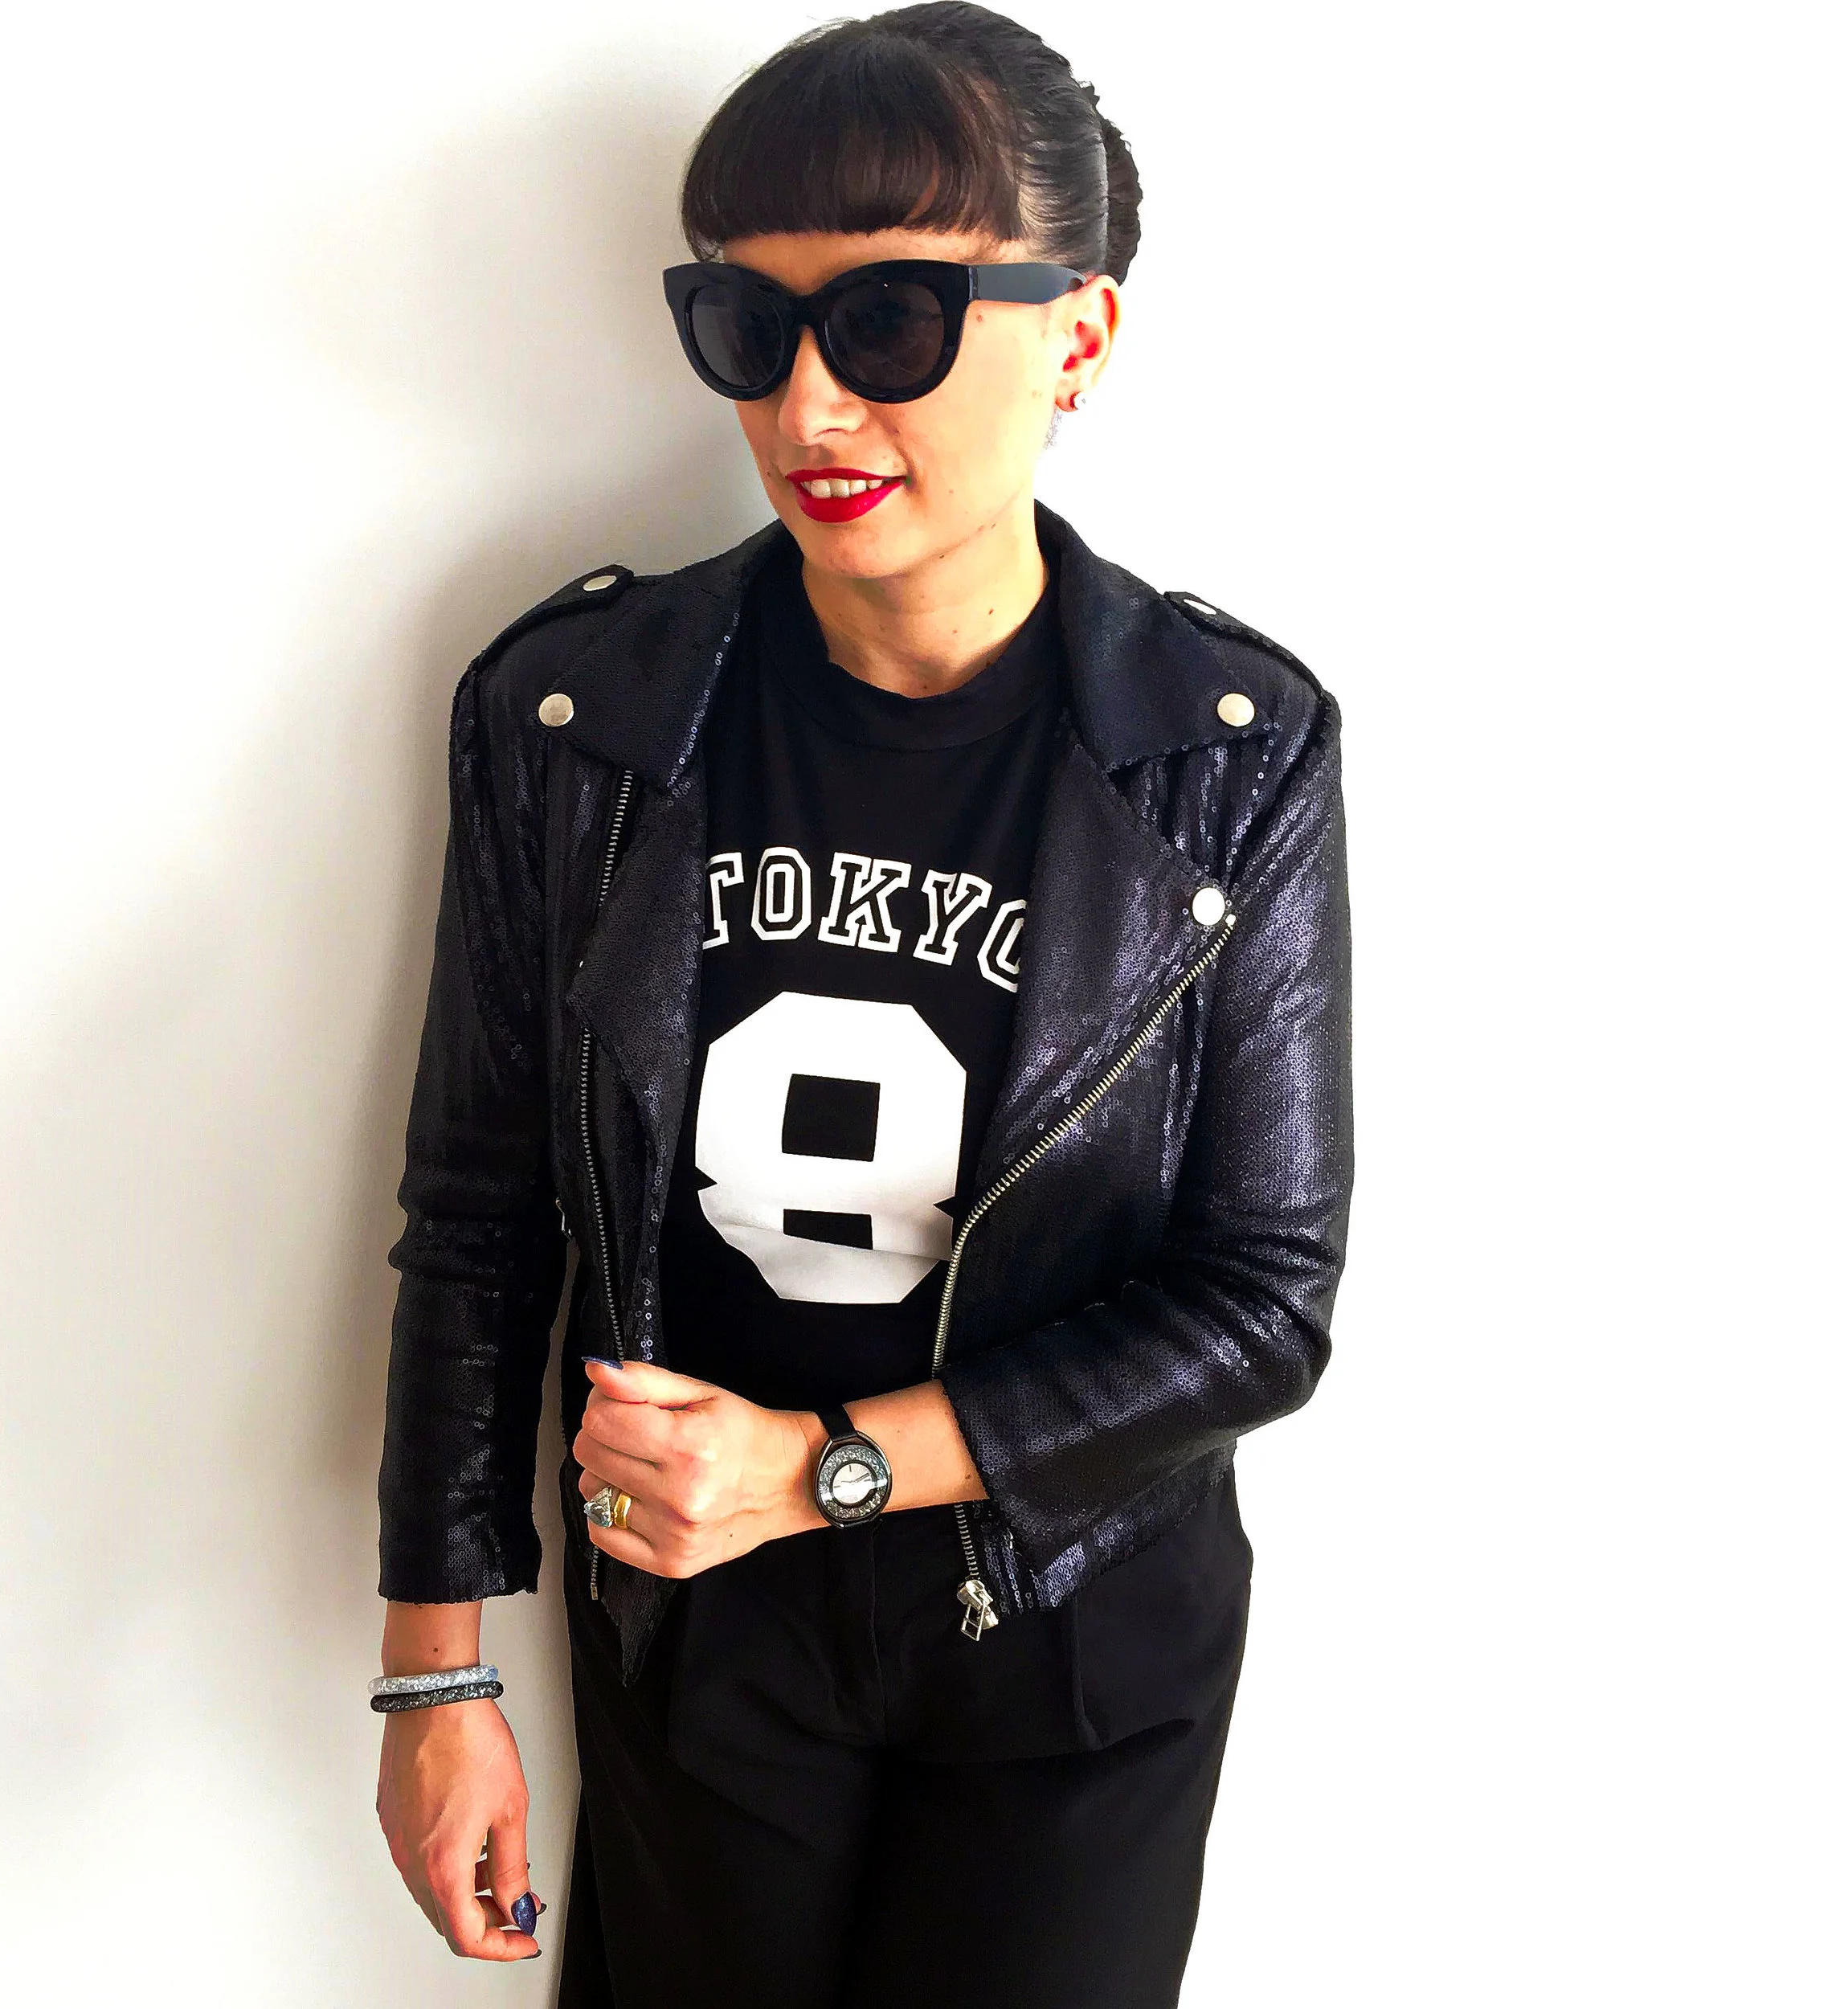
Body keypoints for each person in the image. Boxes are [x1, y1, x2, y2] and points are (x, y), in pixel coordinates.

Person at [370, 6, 1352, 2004]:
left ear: (1076, 334)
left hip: (1076, 1629)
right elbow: (478, 1215)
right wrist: (435, 1668)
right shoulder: (577, 715)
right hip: (695, 1631)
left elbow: (1261, 1297)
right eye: (748, 325)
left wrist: (818, 1464)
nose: (808, 400)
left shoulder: (1224, 749)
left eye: (891, 321)